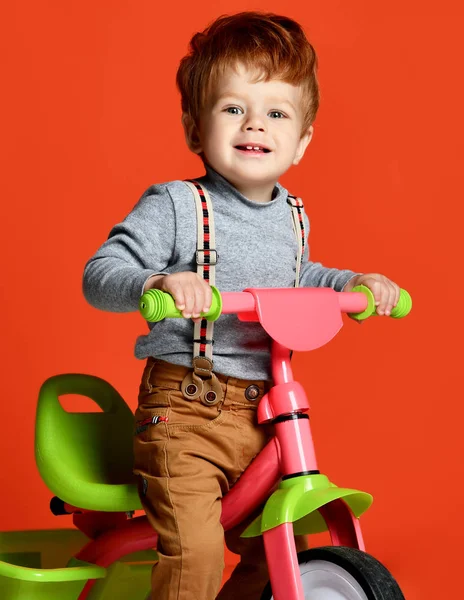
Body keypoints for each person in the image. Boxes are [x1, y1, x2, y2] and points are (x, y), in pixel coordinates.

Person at [83, 11, 401, 600]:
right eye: (233, 108)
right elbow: (100, 274)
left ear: (302, 139)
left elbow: (302, 274)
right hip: (185, 412)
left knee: (270, 552)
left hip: (263, 414)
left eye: (276, 113)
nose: (255, 123)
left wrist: (357, 283)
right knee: (197, 554)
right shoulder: (178, 205)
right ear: (194, 129)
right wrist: (160, 282)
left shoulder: (293, 216)